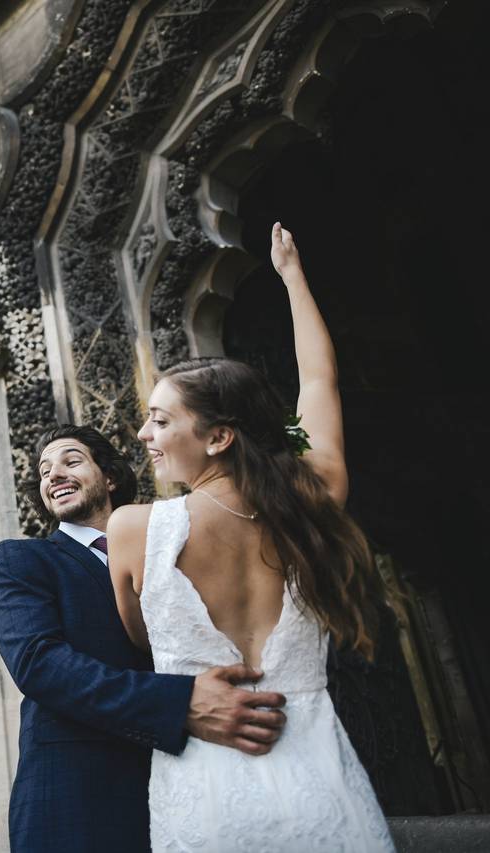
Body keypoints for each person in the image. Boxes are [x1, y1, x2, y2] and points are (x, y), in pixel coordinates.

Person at [107, 223, 393, 851]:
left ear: (217, 437)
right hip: (326, 792)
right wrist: (293, 277)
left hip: (209, 804)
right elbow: (318, 384)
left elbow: (138, 635)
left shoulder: (131, 529)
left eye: (159, 420)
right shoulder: (312, 504)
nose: (143, 436)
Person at [0, 425, 288, 852]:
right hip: (80, 796)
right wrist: (181, 703)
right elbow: (40, 664)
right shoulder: (21, 560)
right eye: (44, 470)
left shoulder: (175, 548)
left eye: (71, 461)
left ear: (109, 478)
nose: (53, 475)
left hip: (201, 779)